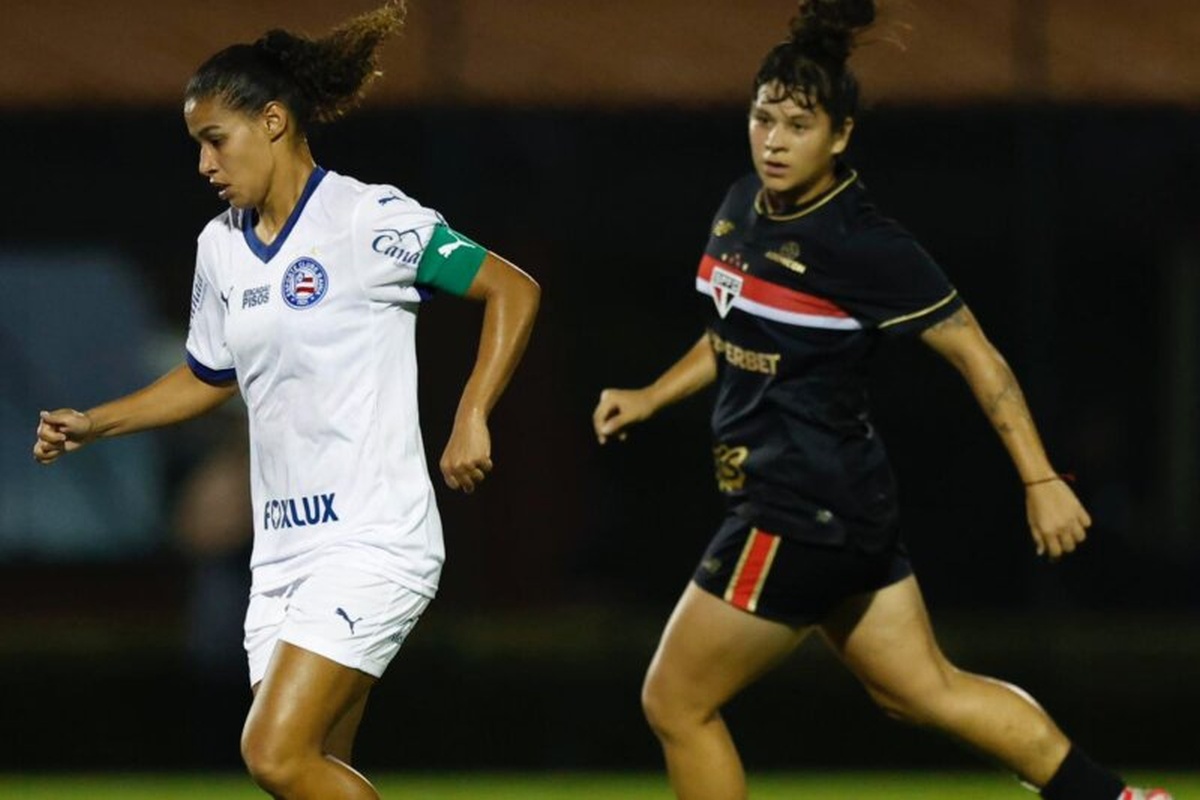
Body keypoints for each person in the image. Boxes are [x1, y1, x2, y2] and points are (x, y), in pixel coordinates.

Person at [591, 2, 1169, 799]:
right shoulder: (740, 205)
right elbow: (732, 325)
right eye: (764, 119)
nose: (775, 140)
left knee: (677, 701)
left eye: (798, 125)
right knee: (922, 691)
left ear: (841, 136)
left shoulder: (863, 244)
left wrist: (1040, 480)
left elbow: (981, 358)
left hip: (796, 510)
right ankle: (1116, 799)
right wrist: (653, 395)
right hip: (847, 511)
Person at [33, 2, 540, 798]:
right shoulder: (222, 246)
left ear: (272, 121)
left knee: (272, 752)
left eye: (214, 140)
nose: (204, 165)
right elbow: (207, 375)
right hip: (281, 561)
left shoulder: (367, 220)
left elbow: (511, 288)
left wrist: (472, 411)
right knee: (310, 773)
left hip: (373, 541)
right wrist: (96, 423)